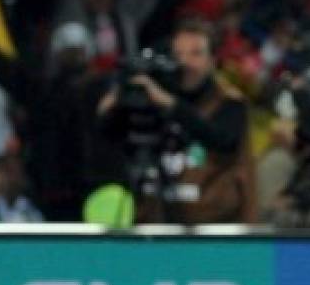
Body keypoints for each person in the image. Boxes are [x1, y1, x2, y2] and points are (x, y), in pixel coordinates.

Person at [97, 16, 257, 224]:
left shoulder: (229, 103)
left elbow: (222, 139)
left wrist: (170, 105)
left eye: (196, 54)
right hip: (153, 221)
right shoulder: (152, 98)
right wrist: (119, 100)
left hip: (211, 225)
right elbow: (110, 135)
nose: (185, 62)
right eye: (178, 54)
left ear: (212, 61)